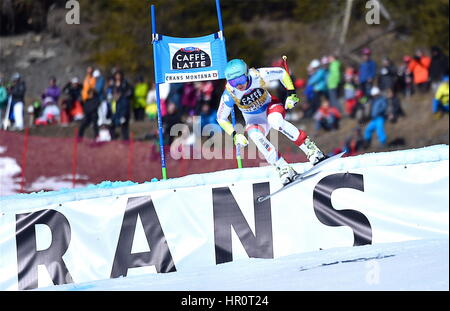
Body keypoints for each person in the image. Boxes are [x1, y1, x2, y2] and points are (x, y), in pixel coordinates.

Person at [217, 59, 326, 185]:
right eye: (233, 82)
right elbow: (221, 118)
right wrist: (235, 135)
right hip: (255, 120)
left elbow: (282, 73)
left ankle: (311, 149)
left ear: (247, 74)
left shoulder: (257, 75)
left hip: (271, 107)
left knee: (275, 121)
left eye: (240, 79)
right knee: (254, 135)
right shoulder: (230, 93)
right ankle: (283, 167)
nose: (238, 85)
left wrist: (291, 94)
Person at [110, 70, 133, 141]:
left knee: (124, 125)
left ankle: (126, 140)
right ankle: (113, 138)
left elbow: (130, 92)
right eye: (116, 75)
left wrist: (122, 95)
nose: (118, 77)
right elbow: (110, 93)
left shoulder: (125, 83)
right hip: (115, 106)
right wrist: (114, 97)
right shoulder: (113, 85)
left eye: (119, 75)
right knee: (112, 125)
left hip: (123, 106)